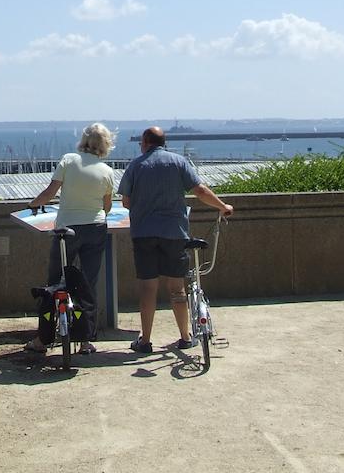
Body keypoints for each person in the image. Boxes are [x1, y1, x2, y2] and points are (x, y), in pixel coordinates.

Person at [118, 126, 234, 353]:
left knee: (148, 288)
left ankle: (146, 340)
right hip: (174, 233)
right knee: (177, 288)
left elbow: (126, 202)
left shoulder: (136, 165)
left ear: (145, 142)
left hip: (144, 234)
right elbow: (199, 190)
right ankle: (184, 336)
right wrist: (222, 206)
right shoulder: (179, 162)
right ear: (164, 143)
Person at [24, 122, 116, 355]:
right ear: (105, 144)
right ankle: (85, 340)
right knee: (88, 284)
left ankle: (43, 339)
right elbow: (106, 207)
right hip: (95, 228)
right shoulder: (107, 171)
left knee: (54, 282)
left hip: (68, 229)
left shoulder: (68, 160)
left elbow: (50, 192)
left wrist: (33, 204)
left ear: (84, 141)